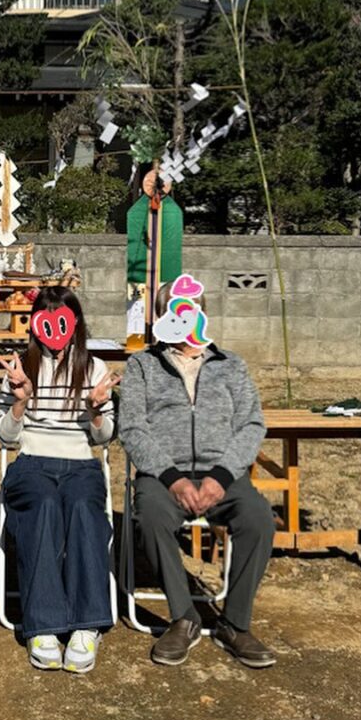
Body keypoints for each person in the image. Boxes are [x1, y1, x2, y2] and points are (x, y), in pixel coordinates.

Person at [118, 281, 277, 669]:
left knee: (258, 518)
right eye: (170, 310)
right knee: (151, 516)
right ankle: (184, 617)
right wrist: (172, 478)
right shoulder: (142, 365)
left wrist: (220, 477)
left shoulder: (230, 364)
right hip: (163, 474)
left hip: (221, 475)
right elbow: (132, 427)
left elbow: (251, 424)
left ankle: (234, 624)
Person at [0, 286, 120, 673]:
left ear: (76, 323)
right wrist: (20, 400)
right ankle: (44, 626)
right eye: (45, 321)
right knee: (44, 505)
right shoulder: (20, 367)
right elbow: (5, 436)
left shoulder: (95, 368)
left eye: (63, 320)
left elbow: (104, 437)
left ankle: (87, 624)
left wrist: (96, 410)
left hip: (81, 462)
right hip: (32, 461)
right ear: (35, 325)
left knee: (83, 507)